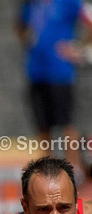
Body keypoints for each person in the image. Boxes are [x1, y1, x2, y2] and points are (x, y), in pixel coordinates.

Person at [16, 0, 92, 182]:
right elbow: (19, 24)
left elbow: (90, 18)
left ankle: (74, 170)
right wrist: (27, 38)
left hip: (60, 73)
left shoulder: (69, 2)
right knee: (42, 124)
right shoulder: (31, 4)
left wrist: (80, 48)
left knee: (66, 122)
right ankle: (48, 171)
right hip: (36, 72)